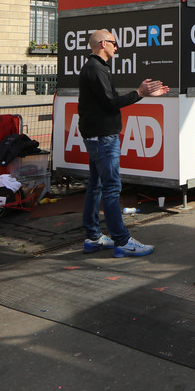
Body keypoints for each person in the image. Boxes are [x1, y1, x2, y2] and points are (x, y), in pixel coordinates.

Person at [78, 29, 169, 257]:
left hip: (97, 136)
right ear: (102, 43)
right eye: (114, 43)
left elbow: (107, 101)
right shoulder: (96, 68)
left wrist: (141, 95)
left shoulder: (95, 68)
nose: (117, 47)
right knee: (110, 188)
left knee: (96, 185)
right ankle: (122, 241)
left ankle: (93, 237)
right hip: (103, 137)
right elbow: (111, 102)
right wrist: (139, 92)